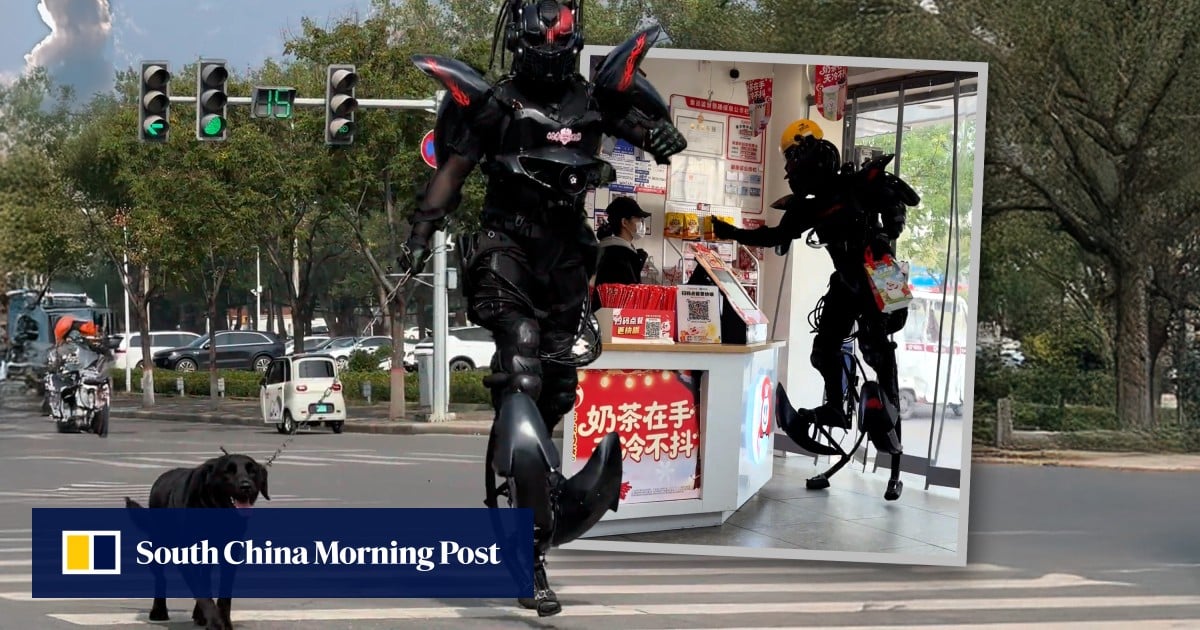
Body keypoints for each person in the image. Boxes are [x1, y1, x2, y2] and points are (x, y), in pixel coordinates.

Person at [398, 1, 686, 616]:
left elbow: (647, 130)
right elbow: (452, 171)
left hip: (566, 259)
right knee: (521, 352)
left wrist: (663, 137)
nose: (553, 48)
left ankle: (536, 515)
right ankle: (528, 550)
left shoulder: (594, 100)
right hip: (507, 248)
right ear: (523, 41)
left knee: (556, 391)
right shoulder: (494, 105)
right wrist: (420, 234)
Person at [710, 118, 919, 501]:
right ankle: (837, 409)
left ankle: (894, 462)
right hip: (848, 281)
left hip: (880, 275)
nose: (789, 167)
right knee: (824, 350)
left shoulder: (858, 183)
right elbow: (776, 235)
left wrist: (888, 225)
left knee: (882, 359)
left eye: (792, 157)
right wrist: (731, 233)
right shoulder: (809, 206)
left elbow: (904, 202)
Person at [594, 196, 651, 287]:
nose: (642, 223)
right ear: (624, 222)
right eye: (639, 219)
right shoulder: (619, 256)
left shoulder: (609, 249)